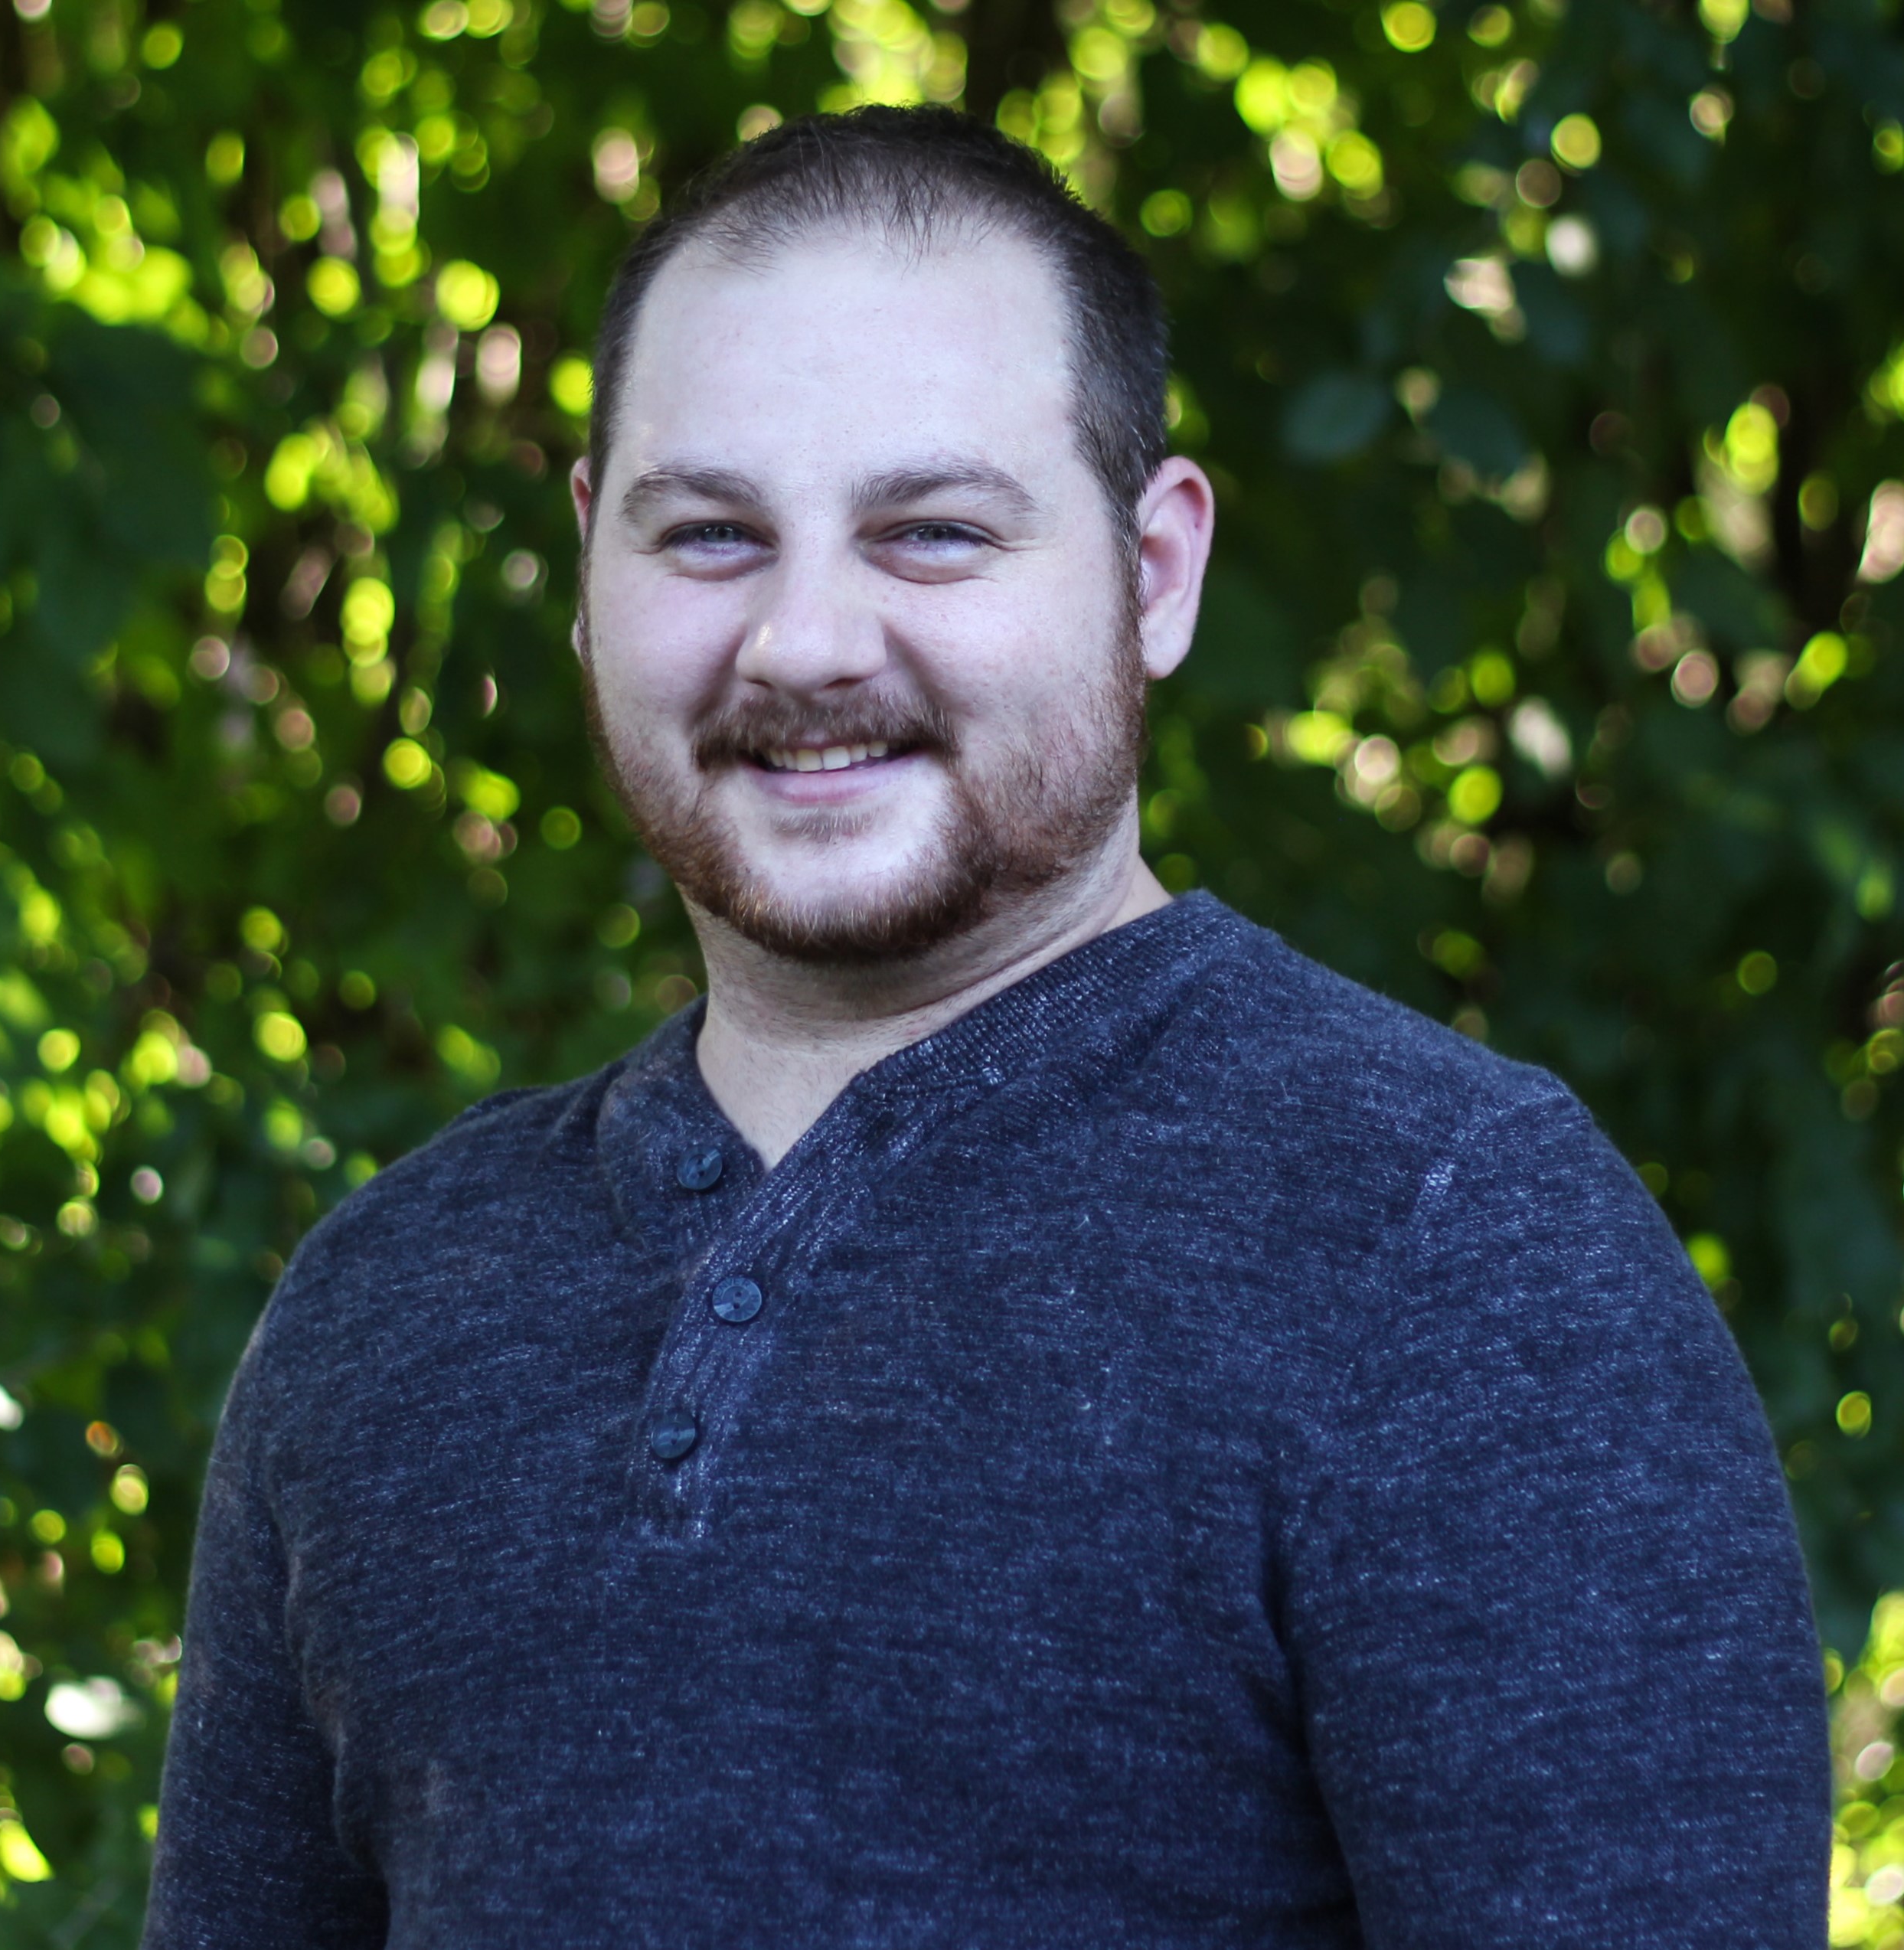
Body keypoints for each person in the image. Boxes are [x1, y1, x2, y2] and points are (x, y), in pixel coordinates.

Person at [142, 107, 1830, 1946]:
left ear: (1152, 570)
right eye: (707, 534)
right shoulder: (385, 1310)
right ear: (588, 567)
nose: (801, 640)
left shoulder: (1452, 1253)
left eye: (929, 532)